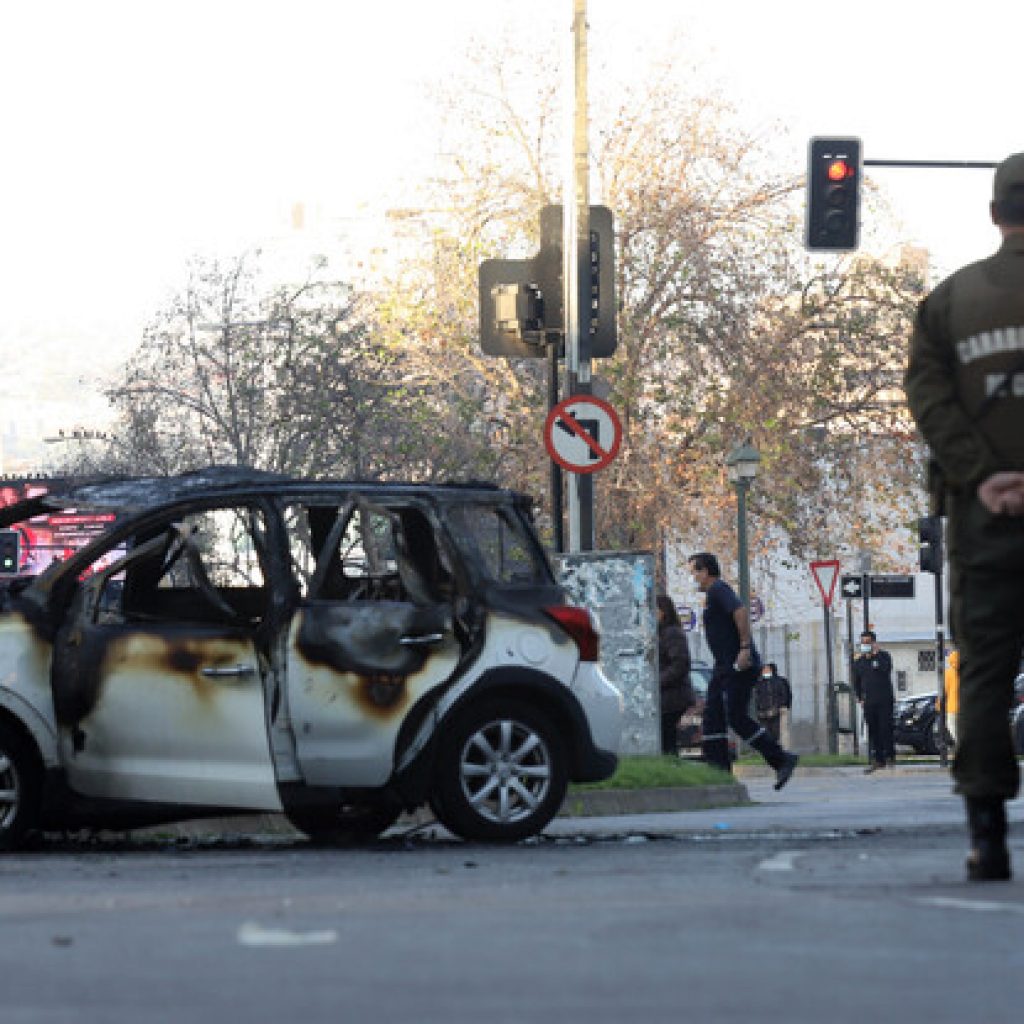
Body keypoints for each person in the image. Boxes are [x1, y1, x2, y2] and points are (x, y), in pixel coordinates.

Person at [904, 152, 1024, 882]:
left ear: (993, 214)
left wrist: (986, 479)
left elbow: (928, 398)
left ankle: (989, 839)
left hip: (984, 524)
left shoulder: (948, 304)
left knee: (983, 673)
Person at [687, 552, 798, 789]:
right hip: (723, 667)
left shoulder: (719, 590)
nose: (694, 577)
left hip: (739, 665)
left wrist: (745, 647)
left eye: (696, 572)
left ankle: (781, 759)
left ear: (706, 571)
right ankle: (719, 774)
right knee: (712, 719)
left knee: (736, 717)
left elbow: (740, 611)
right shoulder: (712, 595)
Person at [852, 630, 895, 772]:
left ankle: (889, 756)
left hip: (884, 699)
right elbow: (856, 681)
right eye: (863, 642)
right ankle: (878, 759)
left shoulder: (884, 657)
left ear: (874, 643)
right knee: (873, 730)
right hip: (869, 701)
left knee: (885, 729)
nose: (865, 645)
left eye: (868, 642)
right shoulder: (859, 662)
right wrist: (859, 697)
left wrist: (876, 656)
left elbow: (886, 670)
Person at [656, 593, 693, 755]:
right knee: (666, 741)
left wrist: (657, 682)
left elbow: (680, 665)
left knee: (668, 740)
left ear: (663, 611)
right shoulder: (661, 633)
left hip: (672, 698)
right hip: (667, 697)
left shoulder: (671, 633)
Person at [754, 662, 792, 743]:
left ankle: (782, 750)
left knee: (779, 732)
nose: (764, 671)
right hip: (764, 712)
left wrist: (783, 706)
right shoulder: (760, 683)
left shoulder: (780, 681)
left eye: (766, 669)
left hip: (779, 711)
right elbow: (757, 697)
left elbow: (785, 694)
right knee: (767, 733)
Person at [941, 649, 960, 746]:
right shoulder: (968, 671)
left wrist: (938, 705)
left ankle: (961, 745)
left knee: (952, 727)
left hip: (952, 707)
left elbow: (944, 690)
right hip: (966, 706)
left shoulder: (948, 673)